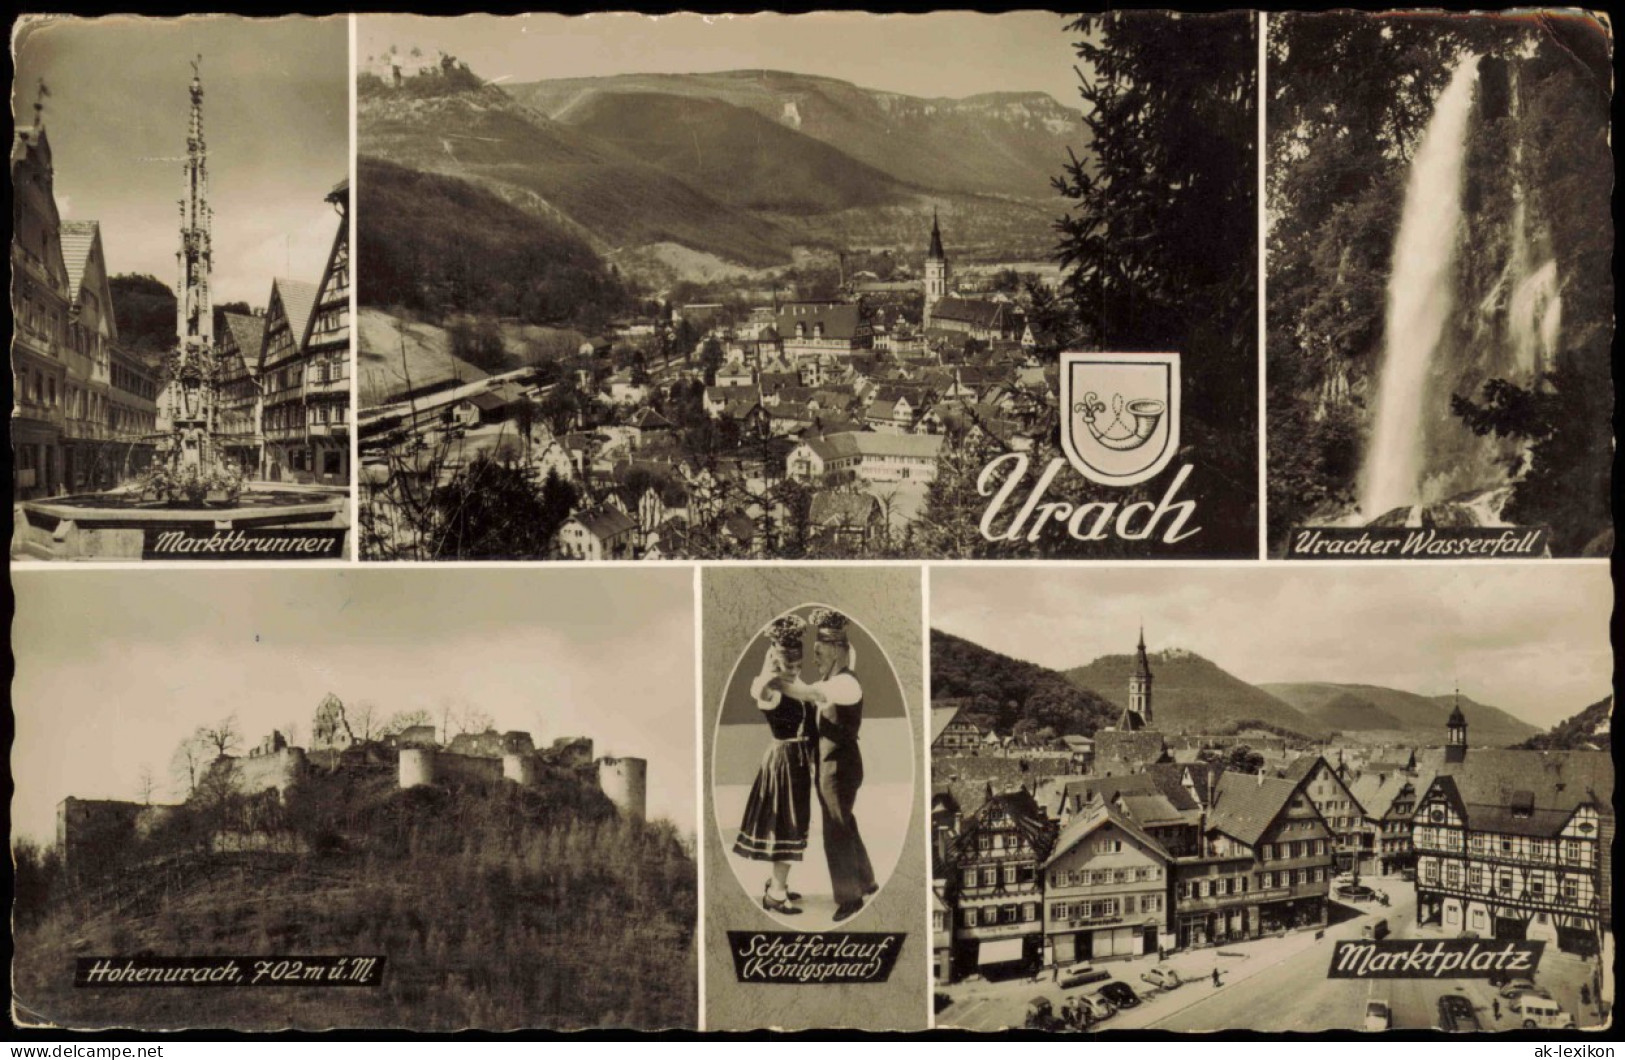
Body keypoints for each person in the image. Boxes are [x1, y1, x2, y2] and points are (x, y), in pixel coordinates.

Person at [779, 608, 877, 922]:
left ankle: (850, 899)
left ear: (836, 650)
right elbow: (816, 686)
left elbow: (805, 692)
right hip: (833, 764)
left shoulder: (845, 684)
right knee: (845, 821)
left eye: (820, 653)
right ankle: (866, 880)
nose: (815, 659)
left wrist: (776, 680)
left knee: (835, 829)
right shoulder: (835, 678)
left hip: (838, 767)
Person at [732, 615, 816, 915]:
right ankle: (775, 896)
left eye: (796, 665)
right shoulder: (769, 689)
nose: (792, 671)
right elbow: (762, 690)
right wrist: (772, 667)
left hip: (797, 762)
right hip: (784, 763)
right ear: (774, 662)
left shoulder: (795, 684)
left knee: (794, 824)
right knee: (786, 826)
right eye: (787, 665)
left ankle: (775, 883)